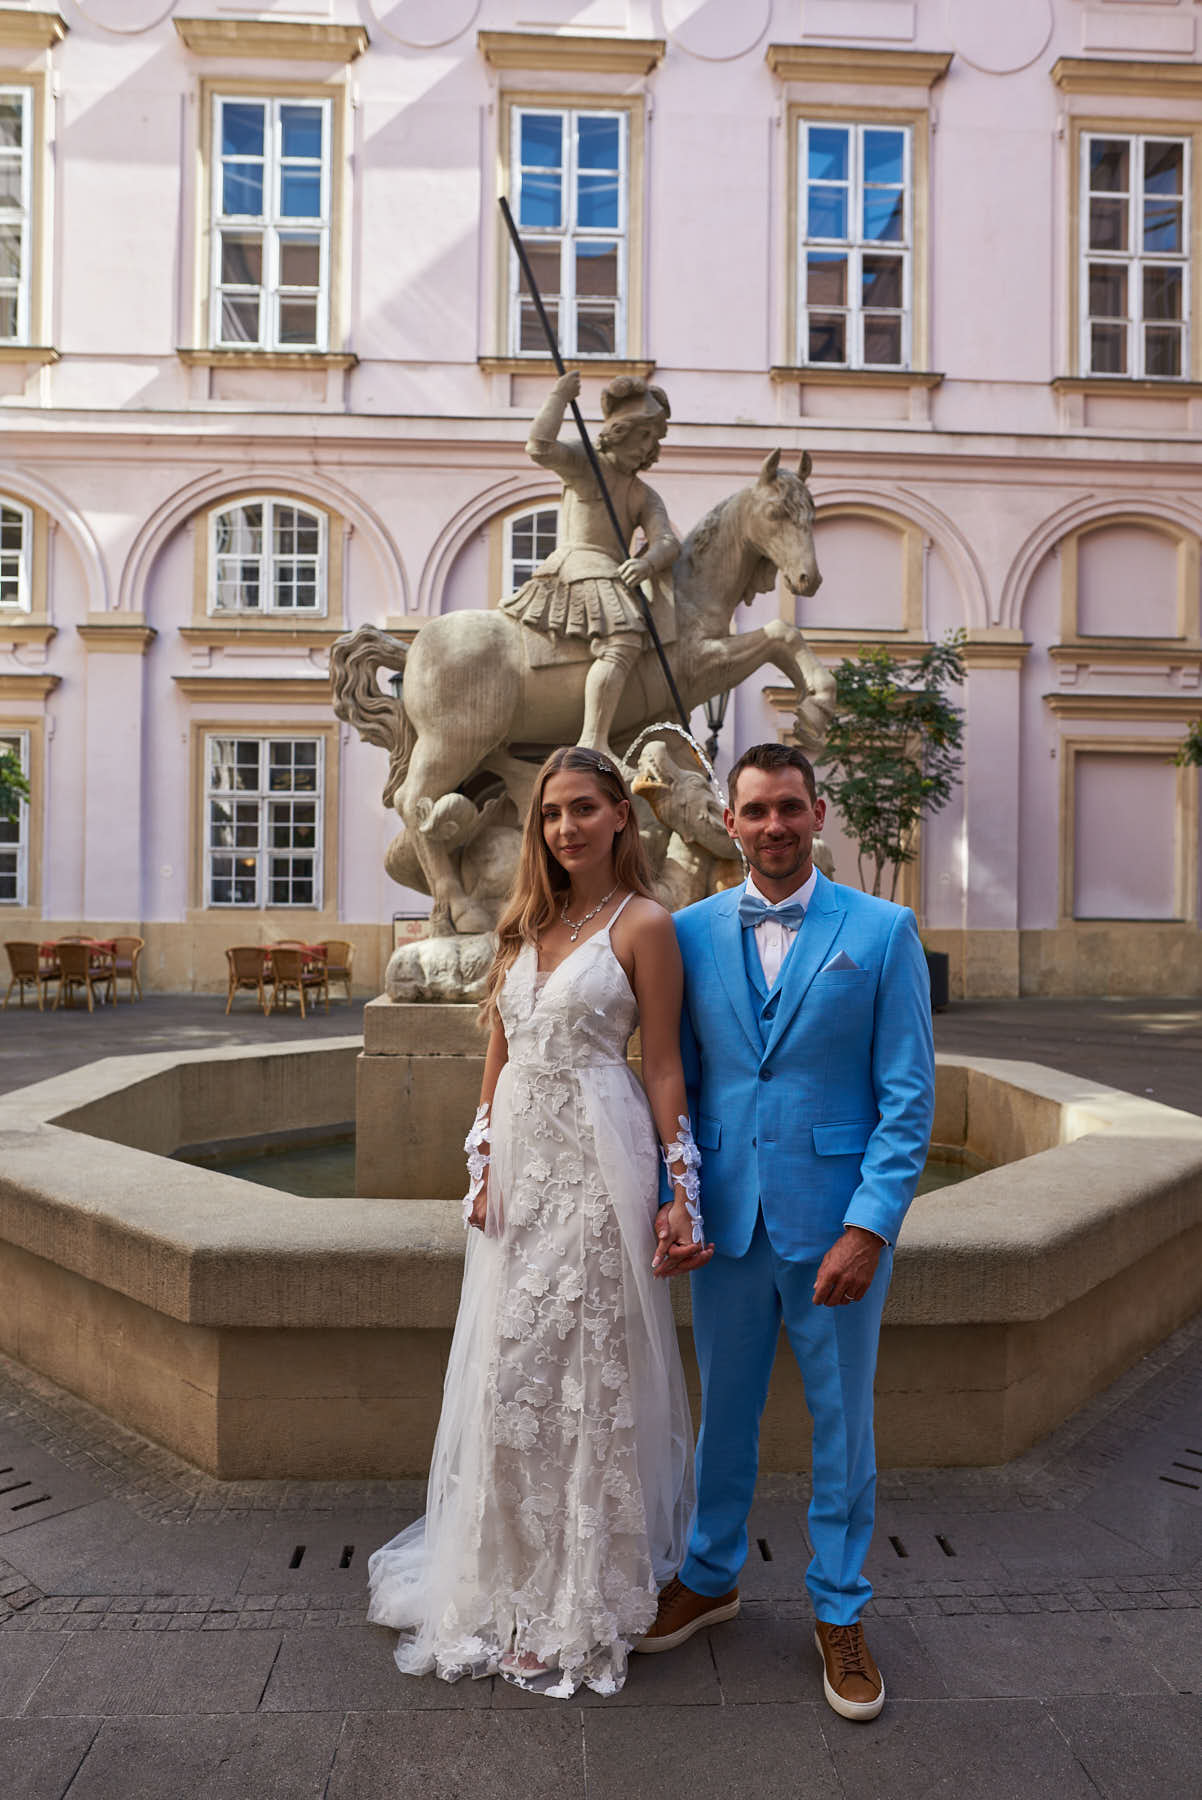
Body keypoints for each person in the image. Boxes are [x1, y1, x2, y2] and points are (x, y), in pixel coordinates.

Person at [367, 745, 711, 1698]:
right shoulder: (524, 921)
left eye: (585, 810)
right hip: (522, 1163)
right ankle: (508, 1574)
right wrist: (481, 1160)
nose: (566, 828)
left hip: (603, 1157)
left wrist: (681, 1186)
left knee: (585, 1366)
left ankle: (580, 1587)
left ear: (620, 821)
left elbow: (665, 1065)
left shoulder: (645, 924)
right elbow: (501, 1051)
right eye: (553, 813)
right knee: (510, 1370)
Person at [635, 742, 935, 1723]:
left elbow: (905, 1098)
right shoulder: (685, 932)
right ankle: (710, 1573)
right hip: (723, 1223)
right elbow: (670, 1080)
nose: (773, 826)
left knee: (843, 1429)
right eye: (755, 810)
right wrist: (675, 1198)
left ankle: (839, 1608)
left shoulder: (882, 932)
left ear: (817, 815)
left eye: (789, 809)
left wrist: (869, 1229)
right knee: (722, 1415)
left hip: (833, 1225)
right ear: (729, 821)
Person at [499, 371, 679, 758]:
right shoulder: (587, 464)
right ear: (620, 430)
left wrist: (647, 563)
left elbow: (667, 540)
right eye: (643, 434)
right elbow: (539, 446)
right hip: (580, 564)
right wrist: (560, 396)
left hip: (612, 570)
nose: (649, 447)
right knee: (623, 639)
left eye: (655, 439)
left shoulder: (642, 493)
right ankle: (593, 740)